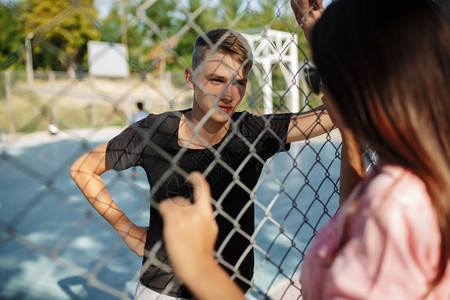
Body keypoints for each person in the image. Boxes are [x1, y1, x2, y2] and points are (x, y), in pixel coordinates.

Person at [159, 0, 450, 299]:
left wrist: (198, 267)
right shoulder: (415, 173)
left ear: (361, 85)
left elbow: (376, 218)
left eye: (320, 78)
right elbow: (355, 221)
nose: (322, 92)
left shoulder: (396, 211)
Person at [70, 26, 334, 299]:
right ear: (190, 77)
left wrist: (315, 32)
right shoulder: (155, 131)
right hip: (165, 288)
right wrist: (127, 231)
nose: (229, 94)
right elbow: (83, 168)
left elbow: (329, 116)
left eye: (239, 82)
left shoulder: (251, 132)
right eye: (217, 80)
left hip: (229, 285)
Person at [129, 102, 149, 178]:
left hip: (137, 134)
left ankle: (133, 172)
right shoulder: (146, 113)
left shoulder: (134, 114)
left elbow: (131, 125)